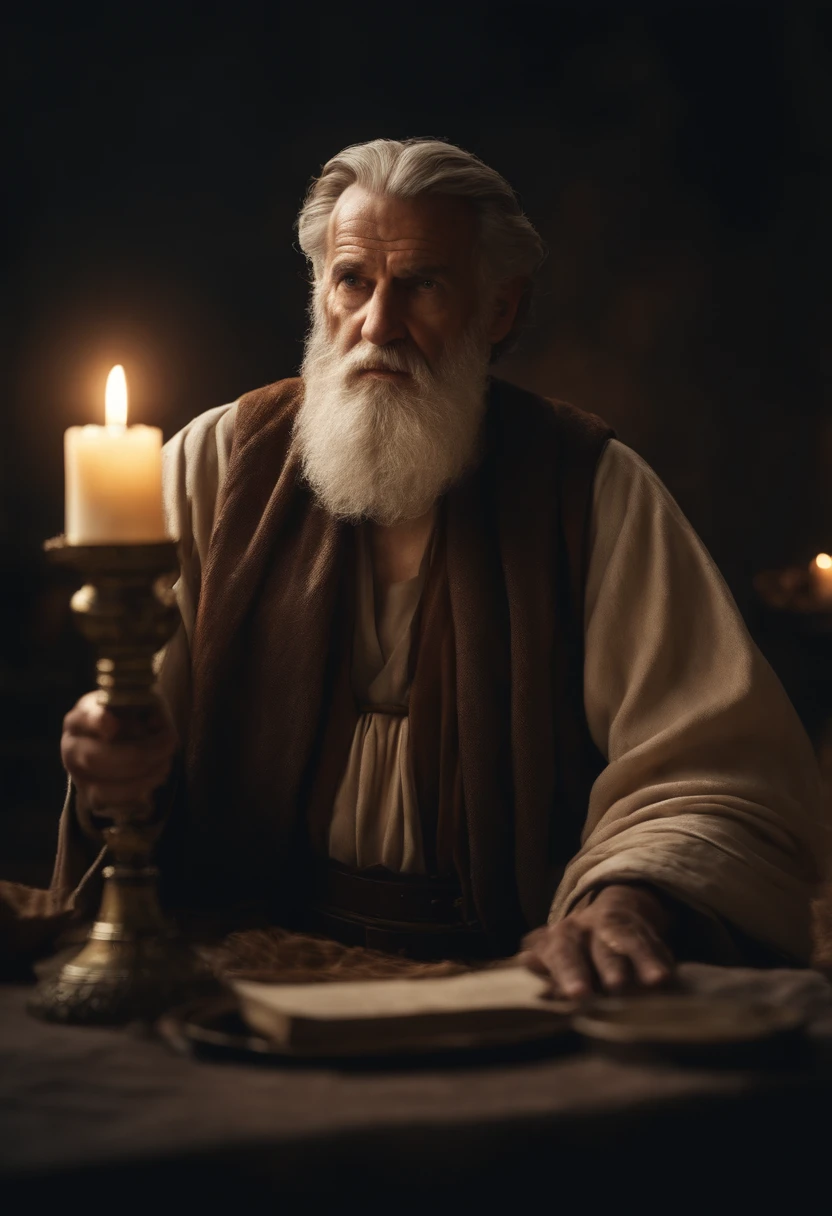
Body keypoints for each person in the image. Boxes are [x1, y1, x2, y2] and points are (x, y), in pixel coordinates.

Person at [19, 139, 830, 996]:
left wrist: (626, 900)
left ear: (500, 308)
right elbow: (137, 758)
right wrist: (115, 758)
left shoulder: (589, 492)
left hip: (510, 984)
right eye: (353, 281)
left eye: (424, 284)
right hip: (239, 974)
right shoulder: (211, 467)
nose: (379, 323)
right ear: (320, 293)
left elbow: (712, 772)